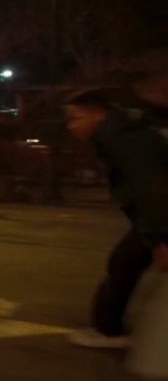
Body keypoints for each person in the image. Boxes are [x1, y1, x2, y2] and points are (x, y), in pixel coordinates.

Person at [62, 88, 168, 349]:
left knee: (123, 262)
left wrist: (158, 240)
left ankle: (109, 331)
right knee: (124, 263)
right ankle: (108, 329)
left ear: (98, 114)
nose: (70, 126)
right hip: (158, 214)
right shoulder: (118, 133)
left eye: (76, 118)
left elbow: (150, 187)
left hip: (161, 214)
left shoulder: (122, 139)